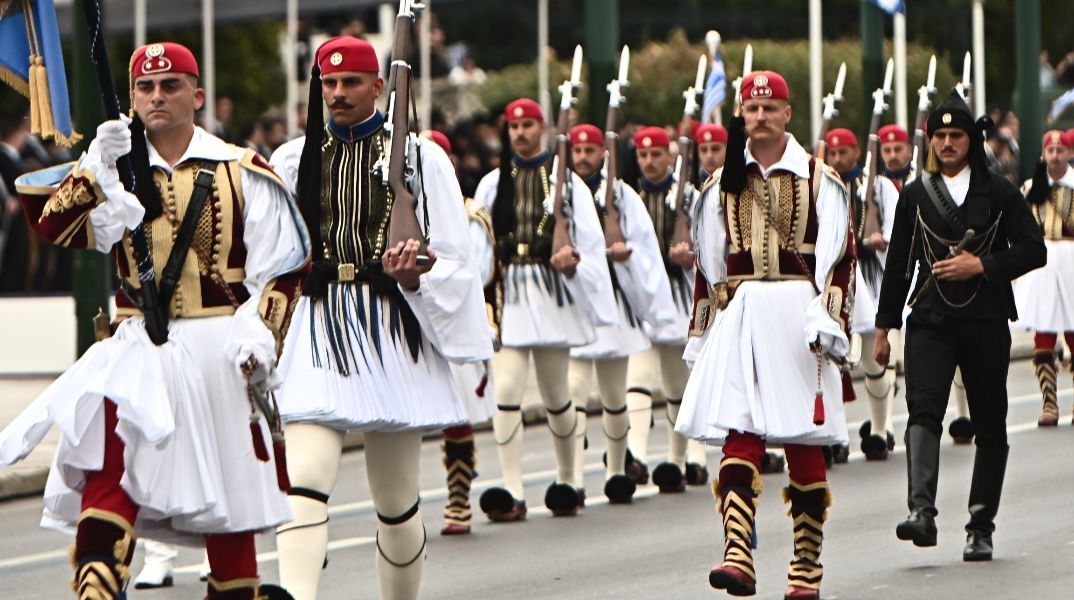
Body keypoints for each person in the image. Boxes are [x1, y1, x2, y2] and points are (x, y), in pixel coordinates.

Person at [0, 41, 309, 599]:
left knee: (229, 486)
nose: (156, 97)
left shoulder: (243, 171)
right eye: (145, 87)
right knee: (113, 453)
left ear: (198, 95)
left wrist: (262, 334)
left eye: (170, 86)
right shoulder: (111, 167)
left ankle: (237, 589)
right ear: (133, 97)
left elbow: (286, 264)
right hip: (138, 340)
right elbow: (55, 228)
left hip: (219, 343)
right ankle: (99, 576)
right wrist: (95, 167)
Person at [268, 38, 492, 600]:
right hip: (317, 325)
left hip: (391, 327)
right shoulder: (293, 159)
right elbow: (271, 257)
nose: (337, 94)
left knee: (394, 499)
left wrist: (415, 272)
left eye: (350, 83)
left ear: (380, 87)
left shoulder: (419, 159)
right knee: (306, 478)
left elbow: (456, 258)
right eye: (328, 84)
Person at [676, 71, 855, 600]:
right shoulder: (719, 182)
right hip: (746, 311)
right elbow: (709, 266)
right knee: (740, 428)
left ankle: (805, 564)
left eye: (769, 109)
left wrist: (829, 317)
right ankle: (738, 552)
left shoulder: (820, 178)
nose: (759, 118)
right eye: (751, 110)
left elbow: (840, 259)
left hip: (799, 313)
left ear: (787, 113)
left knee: (803, 439)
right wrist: (704, 331)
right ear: (740, 115)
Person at [874, 89, 1046, 562]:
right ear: (930, 141)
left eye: (957, 135)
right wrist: (884, 327)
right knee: (923, 409)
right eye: (940, 136)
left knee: (990, 424)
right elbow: (898, 265)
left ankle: (980, 525)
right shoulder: (914, 194)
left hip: (986, 319)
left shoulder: (1001, 191)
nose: (948, 143)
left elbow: (1035, 249)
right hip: (930, 319)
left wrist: (983, 266)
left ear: (972, 139)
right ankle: (921, 512)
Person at [473, 98, 616, 522]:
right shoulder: (492, 183)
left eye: (528, 125)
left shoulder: (565, 181)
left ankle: (568, 478)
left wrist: (575, 264)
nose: (519, 132)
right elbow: (479, 243)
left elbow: (588, 241)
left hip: (550, 291)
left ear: (543, 127)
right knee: (506, 392)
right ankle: (512, 488)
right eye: (514, 125)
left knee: (557, 394)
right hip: (513, 292)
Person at [566, 123, 676, 503]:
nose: (582, 158)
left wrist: (626, 254)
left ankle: (616, 470)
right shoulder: (560, 191)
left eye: (590, 151)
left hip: (614, 299)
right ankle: (573, 478)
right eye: (577, 151)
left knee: (615, 393)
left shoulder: (622, 195)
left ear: (603, 154)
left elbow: (645, 245)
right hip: (577, 300)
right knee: (573, 391)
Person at [623, 125, 712, 492]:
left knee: (678, 382)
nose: (648, 161)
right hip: (642, 296)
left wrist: (691, 257)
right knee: (638, 377)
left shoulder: (691, 197)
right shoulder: (628, 197)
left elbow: (712, 242)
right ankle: (636, 455)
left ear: (671, 156)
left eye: (655, 154)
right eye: (642, 155)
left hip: (678, 294)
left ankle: (681, 458)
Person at [423, 128, 500, 535]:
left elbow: (478, 270)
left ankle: (458, 497)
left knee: (458, 417)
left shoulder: (468, 215)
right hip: (409, 321)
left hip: (452, 320)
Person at [825, 128, 900, 461]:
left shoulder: (879, 186)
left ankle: (880, 430)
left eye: (844, 153)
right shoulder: (823, 186)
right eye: (833, 154)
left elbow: (898, 229)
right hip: (834, 280)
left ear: (858, 152)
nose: (838, 160)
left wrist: (878, 241)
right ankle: (835, 435)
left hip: (869, 280)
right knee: (831, 363)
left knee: (872, 358)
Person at [1016, 130, 1074, 426]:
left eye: (1060, 151)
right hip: (1040, 263)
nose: (1054, 156)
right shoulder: (1030, 186)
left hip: (1071, 262)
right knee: (1044, 336)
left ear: (1068, 153)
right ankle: (1049, 403)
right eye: (1049, 151)